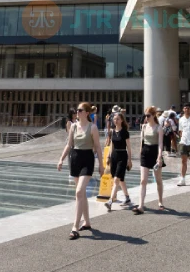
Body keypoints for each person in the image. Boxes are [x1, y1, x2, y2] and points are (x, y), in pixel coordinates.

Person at [57, 102, 102, 240]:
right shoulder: (73, 127)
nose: (77, 112)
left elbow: (98, 147)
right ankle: (87, 222)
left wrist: (101, 165)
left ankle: (75, 227)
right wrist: (61, 159)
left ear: (87, 112)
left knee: (78, 192)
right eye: (77, 110)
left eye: (80, 110)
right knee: (81, 194)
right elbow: (69, 145)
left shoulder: (92, 127)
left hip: (87, 159)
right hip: (75, 159)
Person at [134, 106, 166, 214]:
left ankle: (160, 201)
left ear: (153, 116)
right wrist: (140, 153)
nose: (146, 117)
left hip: (155, 152)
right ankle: (141, 205)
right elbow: (142, 142)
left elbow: (161, 144)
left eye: (148, 115)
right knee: (143, 180)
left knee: (158, 179)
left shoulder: (158, 127)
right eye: (145, 115)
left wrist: (159, 156)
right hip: (145, 152)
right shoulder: (143, 127)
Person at [105, 111, 133, 211]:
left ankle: (110, 201)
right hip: (114, 156)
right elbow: (111, 145)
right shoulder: (112, 131)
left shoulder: (125, 132)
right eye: (114, 119)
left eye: (117, 119)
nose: (115, 120)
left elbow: (129, 147)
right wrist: (108, 157)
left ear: (121, 120)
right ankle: (127, 198)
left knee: (116, 179)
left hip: (122, 156)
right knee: (120, 180)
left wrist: (130, 160)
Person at [176, 103, 190, 186]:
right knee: (183, 160)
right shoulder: (181, 119)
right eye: (185, 108)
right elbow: (181, 131)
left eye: (188, 108)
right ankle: (182, 179)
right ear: (183, 109)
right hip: (183, 142)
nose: (186, 110)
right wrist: (181, 139)